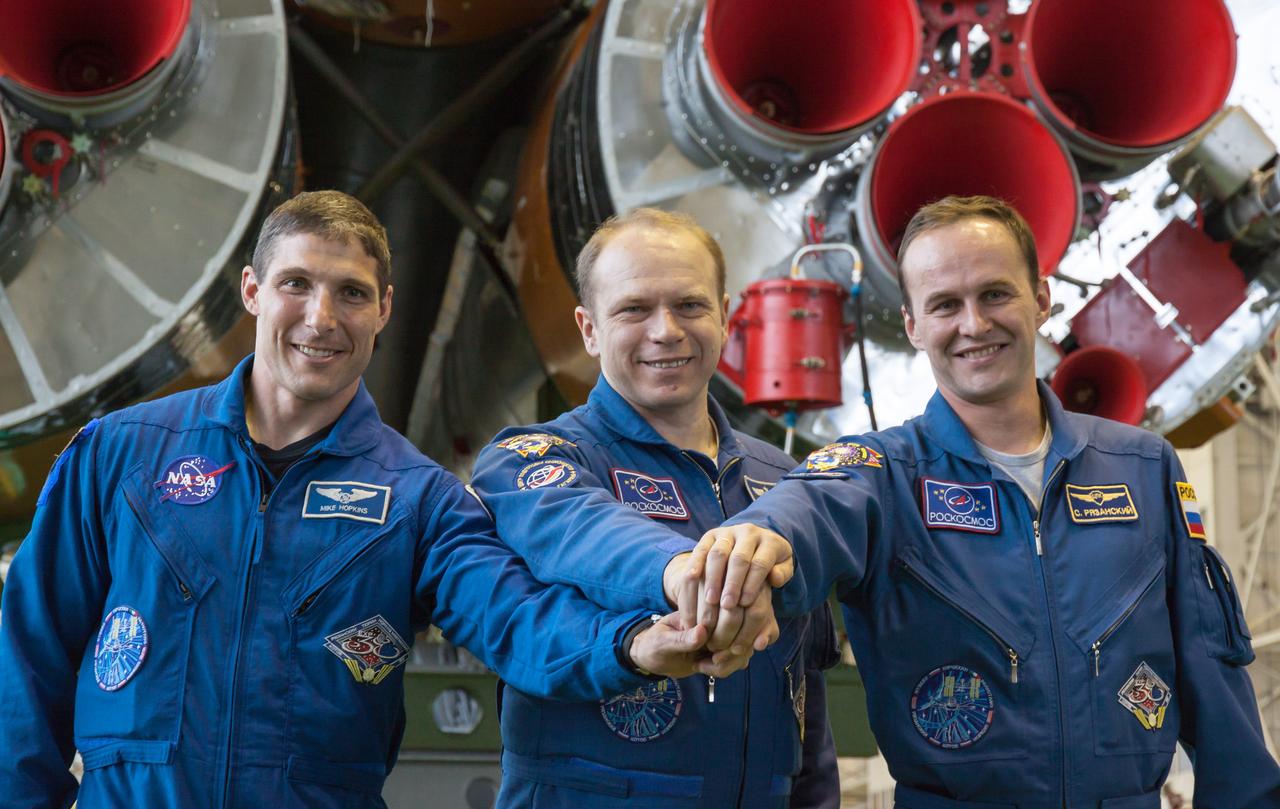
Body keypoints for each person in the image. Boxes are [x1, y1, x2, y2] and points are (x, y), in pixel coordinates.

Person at [0, 191, 733, 809]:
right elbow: (29, 656)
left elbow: (519, 619)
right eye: (297, 284)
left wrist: (632, 645)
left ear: (383, 309)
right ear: (252, 290)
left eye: (351, 292)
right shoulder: (122, 454)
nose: (322, 317)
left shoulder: (420, 501)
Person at [687, 196, 1280, 807]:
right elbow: (804, 512)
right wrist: (754, 540)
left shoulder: (1142, 466)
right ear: (913, 325)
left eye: (995, 294)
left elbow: (1213, 677)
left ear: (1041, 299)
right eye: (945, 304)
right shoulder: (883, 475)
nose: (974, 324)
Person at [470, 208, 841, 809]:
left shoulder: (783, 481)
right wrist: (686, 574)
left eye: (690, 306)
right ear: (588, 329)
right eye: (634, 309)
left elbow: (805, 702)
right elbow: (583, 531)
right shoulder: (527, 462)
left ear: (725, 315)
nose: (665, 330)